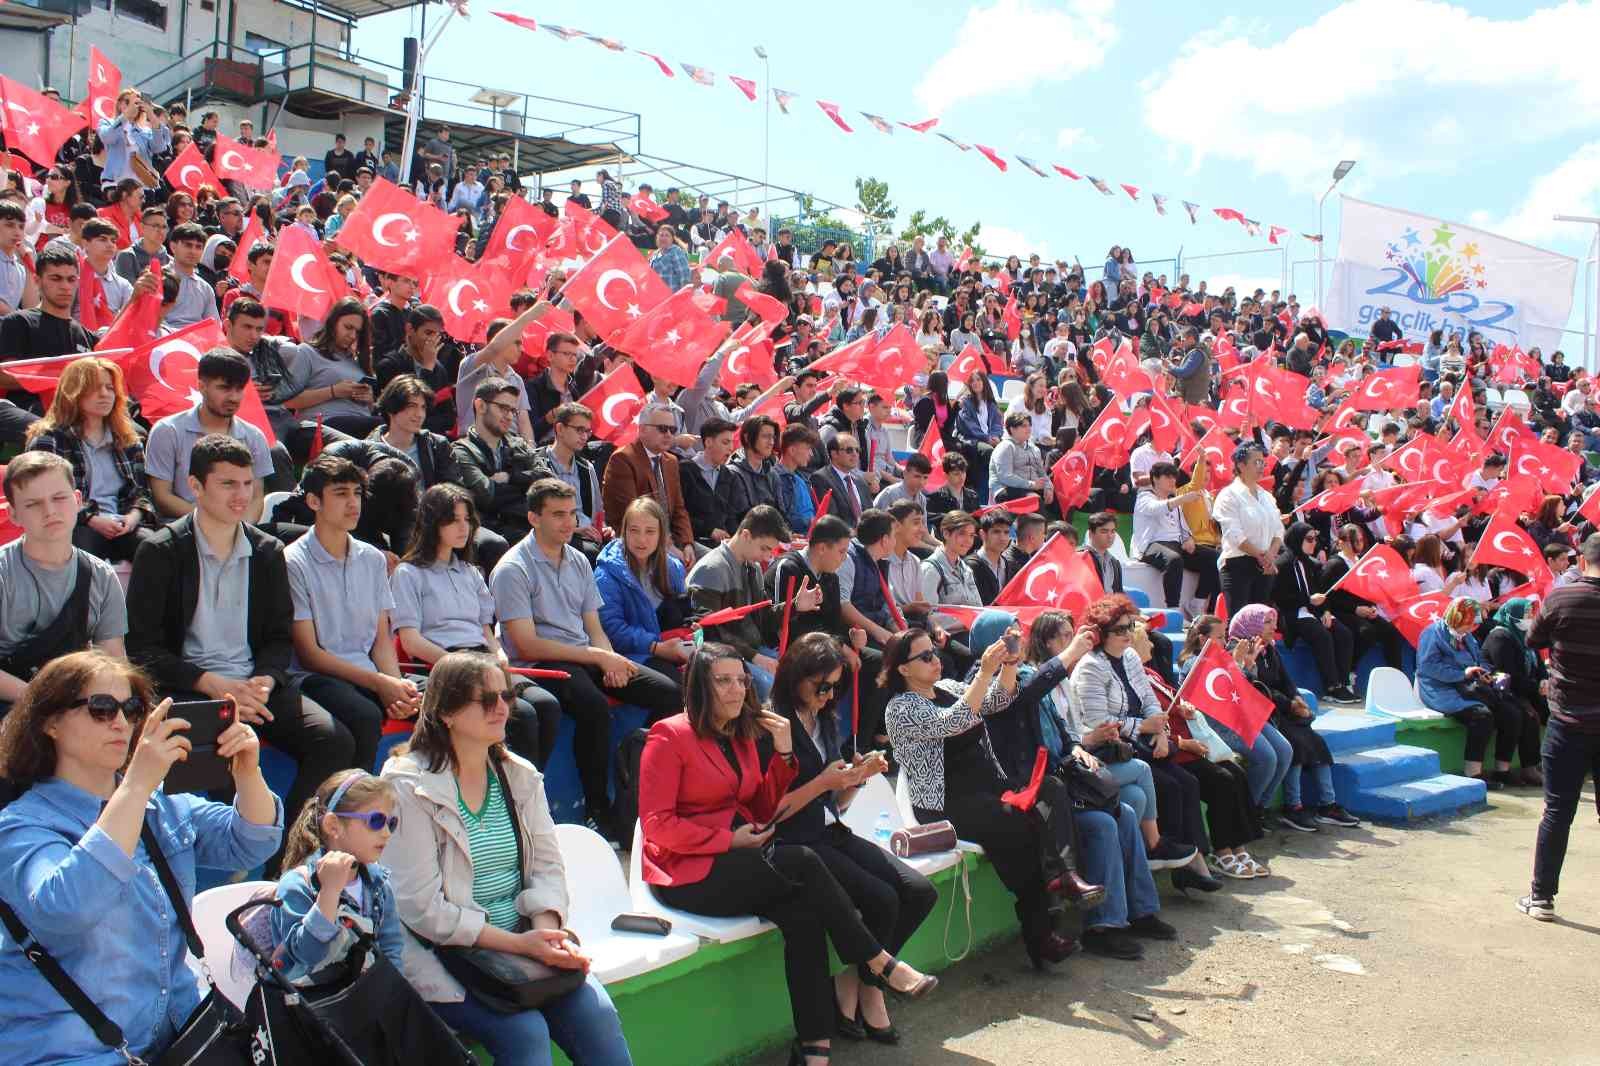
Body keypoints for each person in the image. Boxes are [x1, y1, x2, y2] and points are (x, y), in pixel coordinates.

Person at [641, 644, 937, 1066]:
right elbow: (658, 827)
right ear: (699, 687)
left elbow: (763, 811)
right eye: (722, 681)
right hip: (686, 873)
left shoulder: (741, 736)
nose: (735, 690)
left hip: (742, 861)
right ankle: (879, 961)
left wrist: (783, 754)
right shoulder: (669, 735)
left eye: (741, 680)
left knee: (806, 916)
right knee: (801, 859)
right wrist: (728, 840)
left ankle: (814, 1051)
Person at [0, 650, 280, 1064]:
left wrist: (247, 774)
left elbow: (252, 841)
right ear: (50, 722)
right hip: (71, 1051)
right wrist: (137, 784)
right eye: (100, 708)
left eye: (131, 709)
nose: (120, 722)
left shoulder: (157, 806)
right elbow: (65, 910)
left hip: (180, 1034)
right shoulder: (20, 826)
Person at [382, 651, 634, 1066]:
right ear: (445, 711)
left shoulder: (518, 774)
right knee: (525, 1033)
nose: (501, 708)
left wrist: (547, 933)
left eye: (507, 696)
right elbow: (421, 909)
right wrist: (522, 945)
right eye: (485, 700)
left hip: (524, 945)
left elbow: (548, 869)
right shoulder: (408, 785)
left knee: (598, 1017)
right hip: (444, 954)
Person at [125, 433, 349, 861]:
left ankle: (288, 858)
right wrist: (213, 685)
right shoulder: (160, 551)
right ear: (195, 486)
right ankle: (225, 868)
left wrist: (264, 681)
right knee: (221, 756)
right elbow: (144, 650)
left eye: (248, 483)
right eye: (228, 484)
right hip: (192, 685)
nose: (242, 495)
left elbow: (278, 636)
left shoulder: (267, 550)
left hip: (252, 685)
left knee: (331, 739)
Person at [883, 626, 1094, 969]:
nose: (934, 660)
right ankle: (1042, 931)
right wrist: (983, 671)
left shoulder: (948, 687)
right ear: (903, 669)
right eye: (924, 657)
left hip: (988, 786)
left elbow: (998, 699)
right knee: (1017, 822)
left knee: (1051, 788)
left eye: (933, 653)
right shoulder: (900, 708)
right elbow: (954, 721)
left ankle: (1064, 876)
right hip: (943, 803)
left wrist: (1009, 665)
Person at [766, 633, 938, 1044]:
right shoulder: (775, 724)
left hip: (830, 830)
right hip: (796, 841)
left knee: (919, 891)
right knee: (882, 899)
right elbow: (771, 812)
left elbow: (835, 802)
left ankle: (860, 980)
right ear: (796, 676)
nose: (828, 696)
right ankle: (871, 987)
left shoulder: (824, 719)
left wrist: (857, 779)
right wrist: (825, 781)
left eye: (835, 687)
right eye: (821, 686)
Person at [491, 479, 682, 840]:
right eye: (557, 515)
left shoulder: (578, 559)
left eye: (571, 513)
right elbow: (527, 644)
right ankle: (597, 807)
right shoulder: (513, 568)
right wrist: (596, 655)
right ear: (533, 517)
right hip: (542, 664)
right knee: (593, 706)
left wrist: (607, 659)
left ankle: (643, 793)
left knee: (668, 691)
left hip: (585, 654)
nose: (568, 522)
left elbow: (594, 626)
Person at [393, 483, 557, 766]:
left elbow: (485, 629)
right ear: (433, 523)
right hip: (445, 665)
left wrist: (499, 655)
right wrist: (463, 665)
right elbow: (410, 641)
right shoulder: (408, 574)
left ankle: (528, 788)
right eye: (453, 520)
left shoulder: (470, 572)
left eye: (467, 520)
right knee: (523, 715)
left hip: (483, 658)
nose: (463, 527)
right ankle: (504, 789)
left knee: (547, 705)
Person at [1068, 595, 1216, 891]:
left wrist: (1160, 732)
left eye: (1129, 627)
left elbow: (1149, 700)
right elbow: (1099, 722)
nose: (1127, 634)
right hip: (1115, 747)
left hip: (1146, 740)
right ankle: (1168, 855)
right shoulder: (1090, 667)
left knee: (1187, 782)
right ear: (1101, 635)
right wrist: (1142, 727)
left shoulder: (1131, 657)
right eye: (1120, 630)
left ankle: (1194, 860)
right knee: (1169, 785)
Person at [286, 455, 422, 775]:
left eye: (357, 493)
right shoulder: (293, 561)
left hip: (369, 671)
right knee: (364, 715)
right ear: (313, 501)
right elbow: (309, 655)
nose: (353, 503)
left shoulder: (373, 558)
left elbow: (381, 640)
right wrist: (381, 683)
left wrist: (395, 684)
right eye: (341, 493)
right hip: (318, 678)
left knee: (453, 698)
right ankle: (355, 808)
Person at [0, 451, 128, 713]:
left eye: (59, 498)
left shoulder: (100, 576)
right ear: (14, 515)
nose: (50, 512)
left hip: (75, 705)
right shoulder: (3, 572)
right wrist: (45, 703)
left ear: (78, 500)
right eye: (33, 504)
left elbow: (114, 661)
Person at [1520, 532, 1600, 920]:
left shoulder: (1562, 597)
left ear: (1582, 561)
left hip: (1568, 720)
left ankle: (1541, 898)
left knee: (1557, 811)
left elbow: (1534, 638)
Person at [1227, 605, 1357, 831]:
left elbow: (1286, 681)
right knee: (1294, 744)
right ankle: (1292, 806)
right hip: (1265, 713)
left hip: (1283, 711)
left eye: (1273, 621)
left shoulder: (1269, 649)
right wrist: (1290, 704)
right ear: (1252, 624)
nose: (1273, 627)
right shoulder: (1239, 649)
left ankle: (1328, 804)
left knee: (1316, 742)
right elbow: (1256, 689)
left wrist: (1297, 698)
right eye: (1267, 622)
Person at [270, 769, 405, 983]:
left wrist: (392, 995)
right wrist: (330, 892)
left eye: (391, 823)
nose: (386, 832)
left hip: (359, 1002)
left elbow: (391, 949)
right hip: (308, 1006)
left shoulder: (378, 883)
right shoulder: (298, 884)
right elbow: (307, 955)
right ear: (333, 826)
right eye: (376, 821)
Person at [22, 356, 158, 563]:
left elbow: (142, 493)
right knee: (83, 549)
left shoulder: (129, 438)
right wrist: (92, 519)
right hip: (75, 525)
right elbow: (44, 494)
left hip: (123, 524)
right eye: (94, 387)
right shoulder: (49, 439)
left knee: (155, 548)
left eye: (110, 388)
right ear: (73, 392)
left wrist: (133, 518)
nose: (104, 394)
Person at [687, 505, 816, 700]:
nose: (767, 557)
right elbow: (709, 631)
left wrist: (795, 605)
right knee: (770, 686)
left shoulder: (753, 568)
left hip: (753, 650)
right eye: (764, 548)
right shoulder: (712, 569)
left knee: (806, 675)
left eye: (771, 551)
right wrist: (755, 657)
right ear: (746, 535)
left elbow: (763, 617)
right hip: (725, 656)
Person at [1178, 616, 1295, 824]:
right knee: (1267, 758)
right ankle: (1246, 812)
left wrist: (1248, 666)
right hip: (1222, 723)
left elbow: (1244, 688)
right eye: (1219, 637)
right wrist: (1238, 663)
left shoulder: (1222, 657)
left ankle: (1259, 807)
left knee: (1285, 750)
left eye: (1224, 636)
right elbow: (1222, 691)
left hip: (1243, 715)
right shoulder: (1192, 663)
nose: (1224, 642)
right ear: (1203, 639)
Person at [144, 347, 276, 522]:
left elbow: (256, 497)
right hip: (184, 530)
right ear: (201, 387)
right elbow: (162, 497)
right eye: (224, 388)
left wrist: (240, 530)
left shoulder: (254, 436)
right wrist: (213, 522)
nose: (234, 397)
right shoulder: (168, 431)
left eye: (239, 389)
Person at [1417, 597, 1526, 790]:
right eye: (1467, 624)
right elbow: (1428, 667)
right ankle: (1473, 773)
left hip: (1471, 687)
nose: (1470, 628)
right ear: (1456, 617)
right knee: (1482, 716)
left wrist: (1486, 673)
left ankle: (1503, 770)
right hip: (1441, 689)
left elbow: (1480, 659)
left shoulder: (1467, 637)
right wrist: (1462, 674)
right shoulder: (1432, 634)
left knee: (1512, 714)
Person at [594, 497, 693, 674]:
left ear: (661, 534)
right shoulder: (607, 574)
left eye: (650, 532)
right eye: (634, 531)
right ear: (624, 531)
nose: (642, 540)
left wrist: (693, 626)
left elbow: (684, 611)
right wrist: (656, 646)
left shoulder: (673, 567)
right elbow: (612, 629)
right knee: (682, 689)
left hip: (672, 646)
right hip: (635, 655)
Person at [452, 377, 553, 546]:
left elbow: (548, 480)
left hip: (524, 524)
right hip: (491, 530)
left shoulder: (518, 444)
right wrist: (525, 488)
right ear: (480, 406)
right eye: (503, 408)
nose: (509, 417)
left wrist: (510, 478)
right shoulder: (461, 450)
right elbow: (487, 496)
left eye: (512, 411)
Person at [601, 402, 697, 566]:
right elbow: (634, 514)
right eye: (662, 428)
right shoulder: (623, 459)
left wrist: (687, 543)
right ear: (642, 429)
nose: (668, 434)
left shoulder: (671, 461)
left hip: (672, 539)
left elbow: (679, 508)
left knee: (719, 564)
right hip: (640, 541)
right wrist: (669, 549)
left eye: (672, 430)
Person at [1274, 521, 1358, 701]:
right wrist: (1308, 600)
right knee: (1322, 635)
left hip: (1313, 612)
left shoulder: (1312, 564)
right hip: (1294, 614)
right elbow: (1280, 598)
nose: (1314, 543)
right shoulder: (1282, 564)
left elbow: (1322, 592)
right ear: (1297, 540)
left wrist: (1326, 611)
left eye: (1315, 539)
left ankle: (1343, 682)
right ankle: (1332, 686)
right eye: (1309, 539)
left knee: (1344, 633)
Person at [282, 297, 381, 438]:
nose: (352, 335)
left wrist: (369, 399)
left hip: (362, 423)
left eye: (357, 332)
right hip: (323, 425)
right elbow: (288, 401)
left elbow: (370, 410)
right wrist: (333, 391)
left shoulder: (358, 361)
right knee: (384, 427)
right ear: (333, 322)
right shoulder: (307, 352)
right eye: (348, 327)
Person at [1133, 461, 1219, 613]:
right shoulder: (1144, 497)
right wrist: (1183, 499)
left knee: (1216, 557)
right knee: (1174, 560)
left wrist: (1189, 538)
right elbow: (1156, 508)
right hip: (1152, 545)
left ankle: (1197, 602)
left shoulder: (1174, 500)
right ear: (1155, 478)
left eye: (1174, 477)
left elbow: (1182, 525)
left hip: (1176, 544)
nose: (1173, 481)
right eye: (1168, 477)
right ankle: (1172, 609)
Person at [1213, 442, 1281, 612]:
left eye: (1263, 462)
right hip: (1238, 565)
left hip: (1265, 566)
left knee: (1259, 623)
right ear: (1241, 465)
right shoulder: (1228, 495)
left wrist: (1271, 554)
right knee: (1239, 623)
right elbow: (1234, 534)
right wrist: (1262, 556)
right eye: (1256, 462)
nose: (1262, 467)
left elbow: (1278, 529)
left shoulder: (1267, 497)